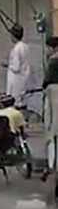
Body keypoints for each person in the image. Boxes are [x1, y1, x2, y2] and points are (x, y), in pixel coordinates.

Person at [6, 23, 32, 107]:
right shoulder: (25, 47)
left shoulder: (17, 49)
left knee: (15, 102)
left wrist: (8, 65)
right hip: (24, 79)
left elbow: (16, 67)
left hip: (16, 80)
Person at [43, 37, 58, 173]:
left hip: (53, 97)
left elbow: (46, 81)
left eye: (48, 48)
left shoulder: (53, 62)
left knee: (51, 130)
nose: (46, 51)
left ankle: (51, 165)